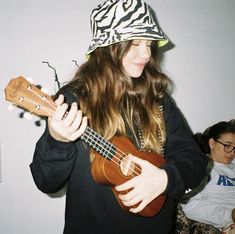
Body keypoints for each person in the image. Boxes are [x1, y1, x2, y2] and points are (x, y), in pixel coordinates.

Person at [30, 0, 208, 233]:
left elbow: (195, 160)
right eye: (134, 43)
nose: (145, 53)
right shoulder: (73, 99)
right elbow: (46, 182)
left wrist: (165, 179)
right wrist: (57, 141)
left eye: (148, 43)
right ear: (108, 47)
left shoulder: (158, 99)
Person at [180, 120, 235, 233]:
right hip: (229, 223)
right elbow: (191, 207)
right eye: (227, 145)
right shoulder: (199, 168)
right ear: (212, 143)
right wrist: (230, 215)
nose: (232, 153)